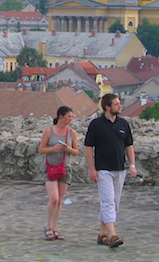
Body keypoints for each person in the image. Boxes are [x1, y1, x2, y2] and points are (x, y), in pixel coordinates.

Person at [84, 94, 136, 248]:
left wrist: (132, 165)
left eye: (119, 104)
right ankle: (113, 235)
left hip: (120, 168)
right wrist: (92, 169)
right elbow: (88, 147)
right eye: (116, 104)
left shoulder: (123, 124)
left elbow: (129, 145)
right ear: (107, 107)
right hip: (103, 169)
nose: (119, 106)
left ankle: (102, 233)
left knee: (114, 203)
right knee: (108, 201)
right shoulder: (96, 124)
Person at [39, 106, 79, 240]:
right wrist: (53, 149)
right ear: (61, 116)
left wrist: (68, 149)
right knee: (54, 198)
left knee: (60, 200)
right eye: (69, 116)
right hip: (51, 168)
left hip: (65, 168)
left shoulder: (71, 132)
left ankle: (55, 228)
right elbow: (41, 149)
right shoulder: (48, 131)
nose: (70, 119)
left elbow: (76, 152)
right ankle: (48, 226)